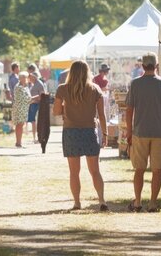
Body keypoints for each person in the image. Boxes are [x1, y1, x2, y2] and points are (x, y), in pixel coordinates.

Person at [53, 61, 108, 212]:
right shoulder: (95, 89)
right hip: (89, 131)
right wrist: (105, 133)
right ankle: (102, 200)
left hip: (71, 132)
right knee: (95, 170)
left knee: (74, 171)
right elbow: (102, 115)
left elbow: (56, 111)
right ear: (87, 72)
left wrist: (68, 107)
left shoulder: (62, 89)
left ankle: (77, 203)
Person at [125, 53, 161, 212]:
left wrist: (129, 131)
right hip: (160, 132)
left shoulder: (135, 84)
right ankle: (153, 203)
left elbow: (129, 110)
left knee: (139, 169)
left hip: (140, 132)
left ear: (142, 66)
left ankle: (138, 201)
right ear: (156, 66)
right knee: (157, 170)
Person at [11, 72, 33, 147]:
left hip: (23, 109)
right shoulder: (19, 87)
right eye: (25, 77)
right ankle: (18, 143)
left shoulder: (24, 87)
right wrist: (37, 97)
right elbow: (26, 98)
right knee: (19, 125)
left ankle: (19, 142)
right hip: (19, 109)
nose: (26, 79)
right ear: (21, 79)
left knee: (21, 125)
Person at [93, 64, 111, 146]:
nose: (107, 72)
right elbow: (95, 88)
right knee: (99, 117)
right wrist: (103, 89)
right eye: (106, 70)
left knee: (103, 118)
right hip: (98, 99)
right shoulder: (96, 78)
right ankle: (99, 139)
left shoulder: (105, 79)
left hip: (104, 99)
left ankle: (102, 138)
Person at [28, 72, 46, 143]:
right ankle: (34, 137)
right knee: (33, 121)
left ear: (34, 77)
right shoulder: (33, 84)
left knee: (38, 122)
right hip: (33, 104)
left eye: (30, 77)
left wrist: (32, 99)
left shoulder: (39, 84)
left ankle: (39, 137)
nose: (29, 79)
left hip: (37, 105)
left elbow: (42, 95)